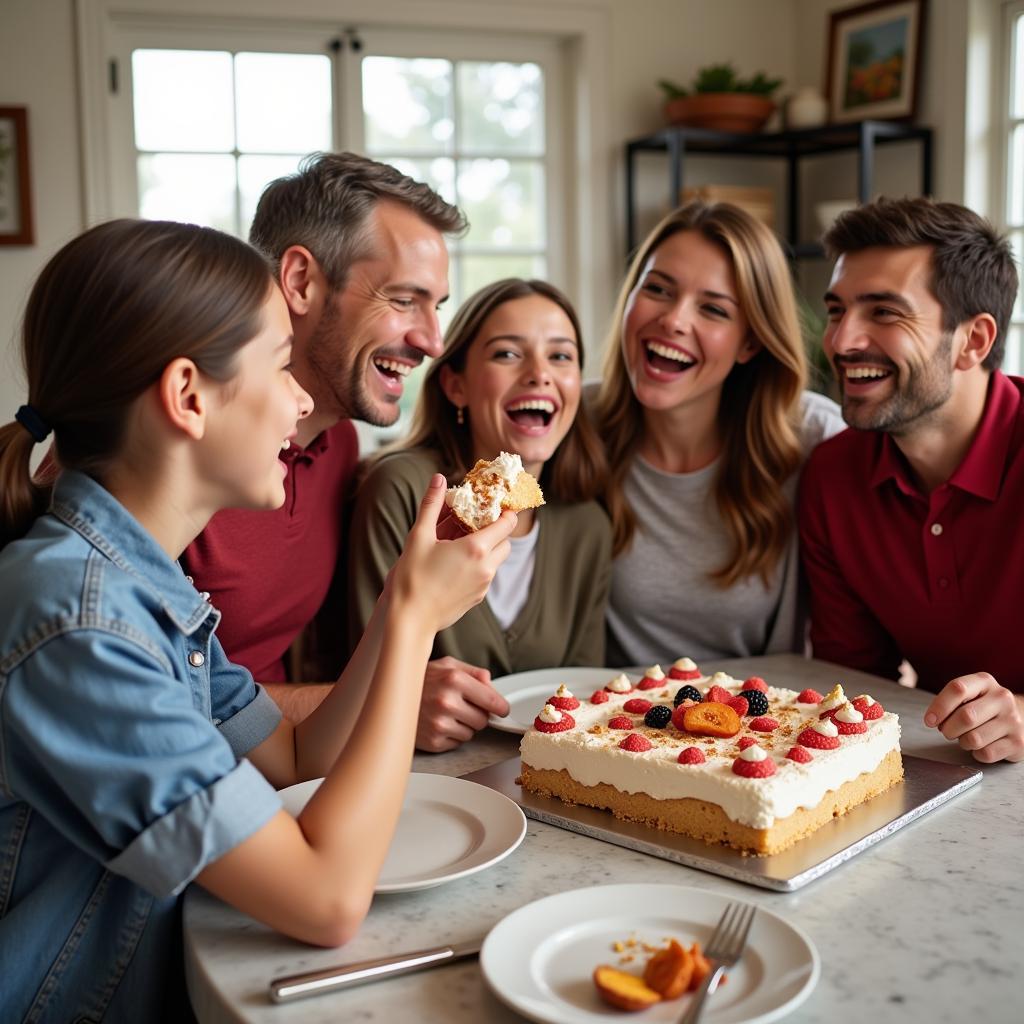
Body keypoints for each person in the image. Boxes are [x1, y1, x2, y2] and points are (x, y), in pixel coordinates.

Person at [0, 219, 515, 1022]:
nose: (304, 398)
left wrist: (394, 605)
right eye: (281, 364)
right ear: (188, 397)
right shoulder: (82, 627)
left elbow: (294, 753)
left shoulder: (143, 583)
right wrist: (416, 624)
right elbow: (326, 900)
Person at [181, 152, 466, 722]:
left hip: (284, 767)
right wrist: (393, 699)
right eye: (404, 299)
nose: (433, 341)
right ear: (301, 281)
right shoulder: (179, 444)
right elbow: (144, 696)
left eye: (437, 306)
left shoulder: (340, 448)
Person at [798, 196, 1024, 764]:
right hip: (951, 783)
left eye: (884, 312)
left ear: (974, 340)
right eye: (836, 310)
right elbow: (855, 688)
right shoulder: (832, 477)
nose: (842, 341)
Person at [347, 279, 611, 752]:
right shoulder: (405, 493)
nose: (539, 374)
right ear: (456, 385)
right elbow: (358, 676)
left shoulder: (587, 526)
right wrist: (404, 701)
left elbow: (580, 695)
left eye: (561, 356)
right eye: (508, 354)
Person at [593, 201, 844, 667]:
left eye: (712, 308)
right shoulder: (574, 424)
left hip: (762, 729)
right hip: (607, 727)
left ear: (750, 341)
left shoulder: (815, 438)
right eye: (658, 289)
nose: (674, 319)